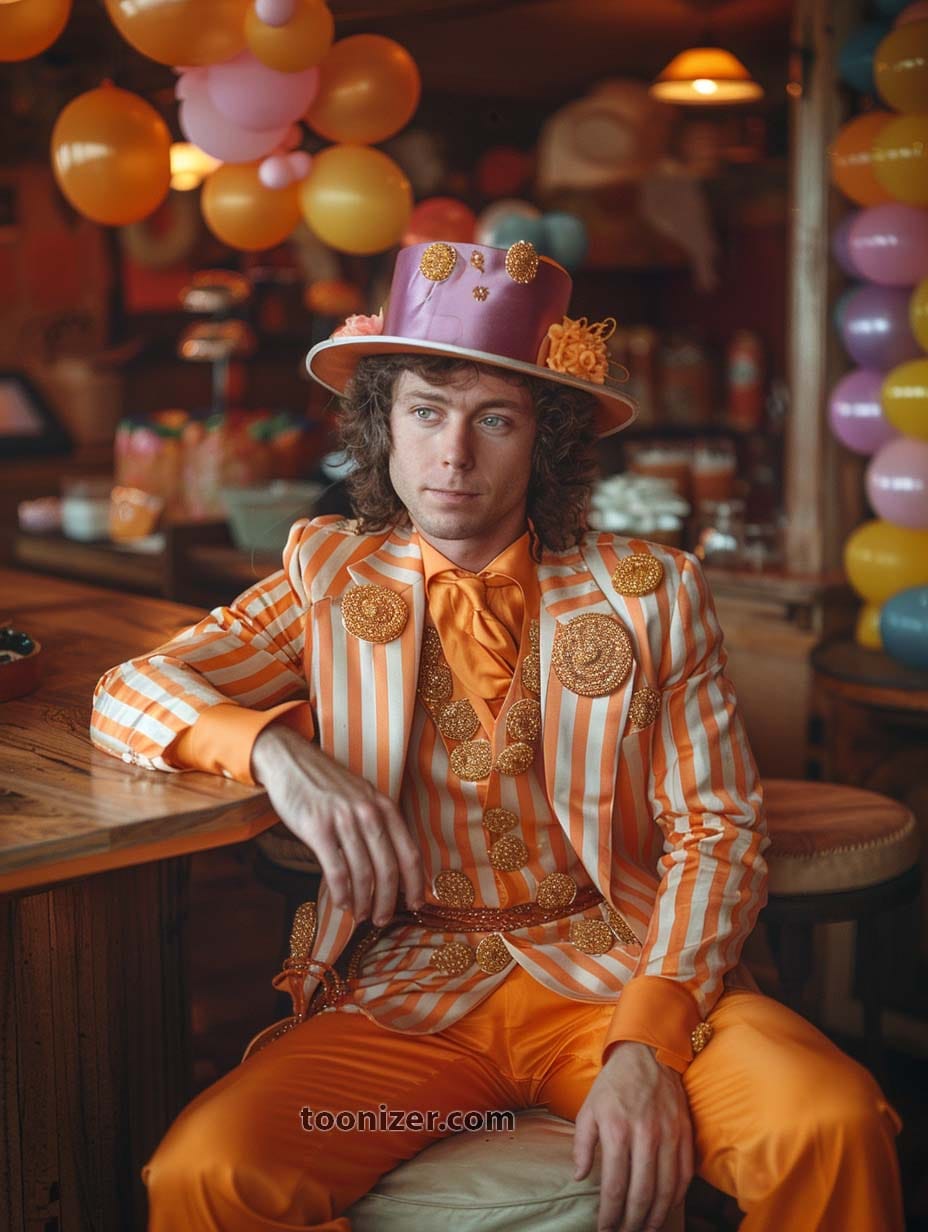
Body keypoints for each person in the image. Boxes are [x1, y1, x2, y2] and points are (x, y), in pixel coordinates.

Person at [91, 239, 904, 1232]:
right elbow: (127, 689)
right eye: (426, 412)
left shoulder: (653, 594)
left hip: (619, 974)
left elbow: (717, 832)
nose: (454, 453)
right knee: (208, 1171)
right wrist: (267, 747)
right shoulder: (327, 573)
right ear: (382, 425)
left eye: (495, 419)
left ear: (545, 439)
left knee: (825, 1120)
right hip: (407, 998)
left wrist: (644, 1047)